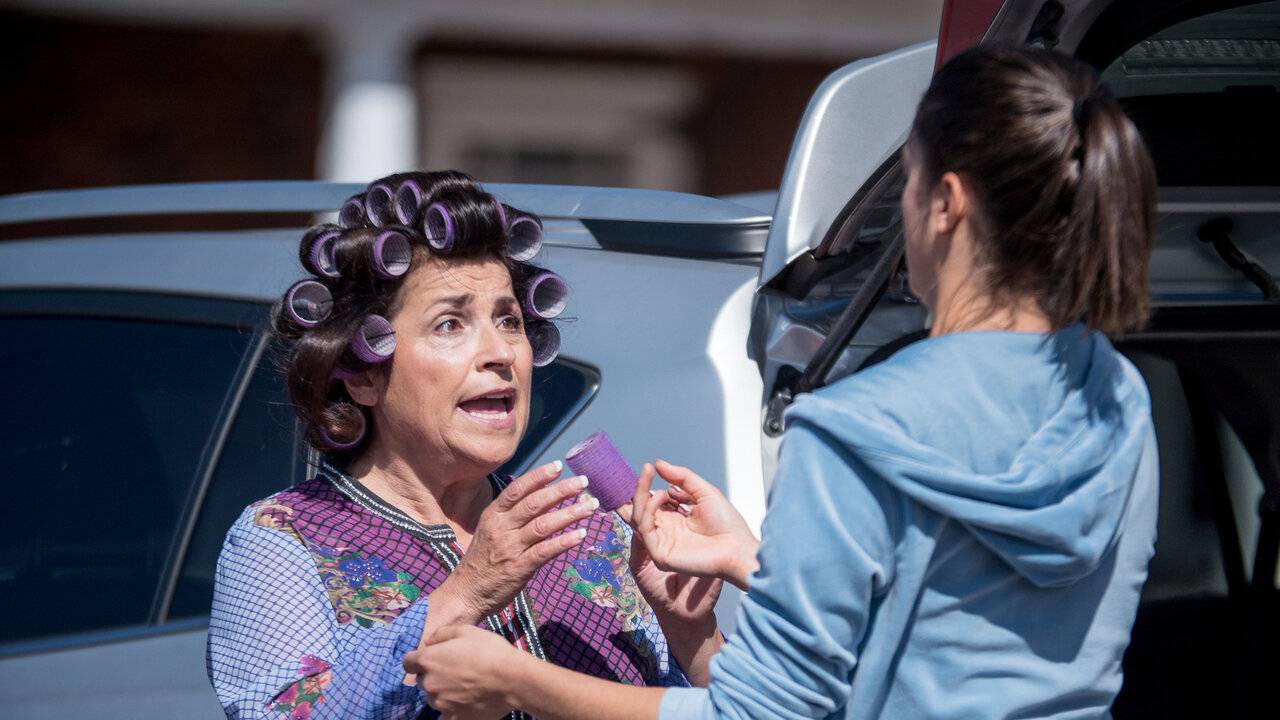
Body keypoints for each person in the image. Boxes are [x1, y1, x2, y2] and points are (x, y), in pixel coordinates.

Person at [408, 45, 1161, 720]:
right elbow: (947, 622)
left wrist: (518, 681)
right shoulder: (1118, 395)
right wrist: (757, 563)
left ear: (946, 205)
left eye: (907, 182)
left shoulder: (855, 425)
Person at [206, 171, 716, 720]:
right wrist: (466, 592)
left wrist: (691, 631)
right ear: (364, 375)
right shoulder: (284, 538)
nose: (501, 352)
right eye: (450, 324)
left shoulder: (589, 533)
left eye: (509, 321)